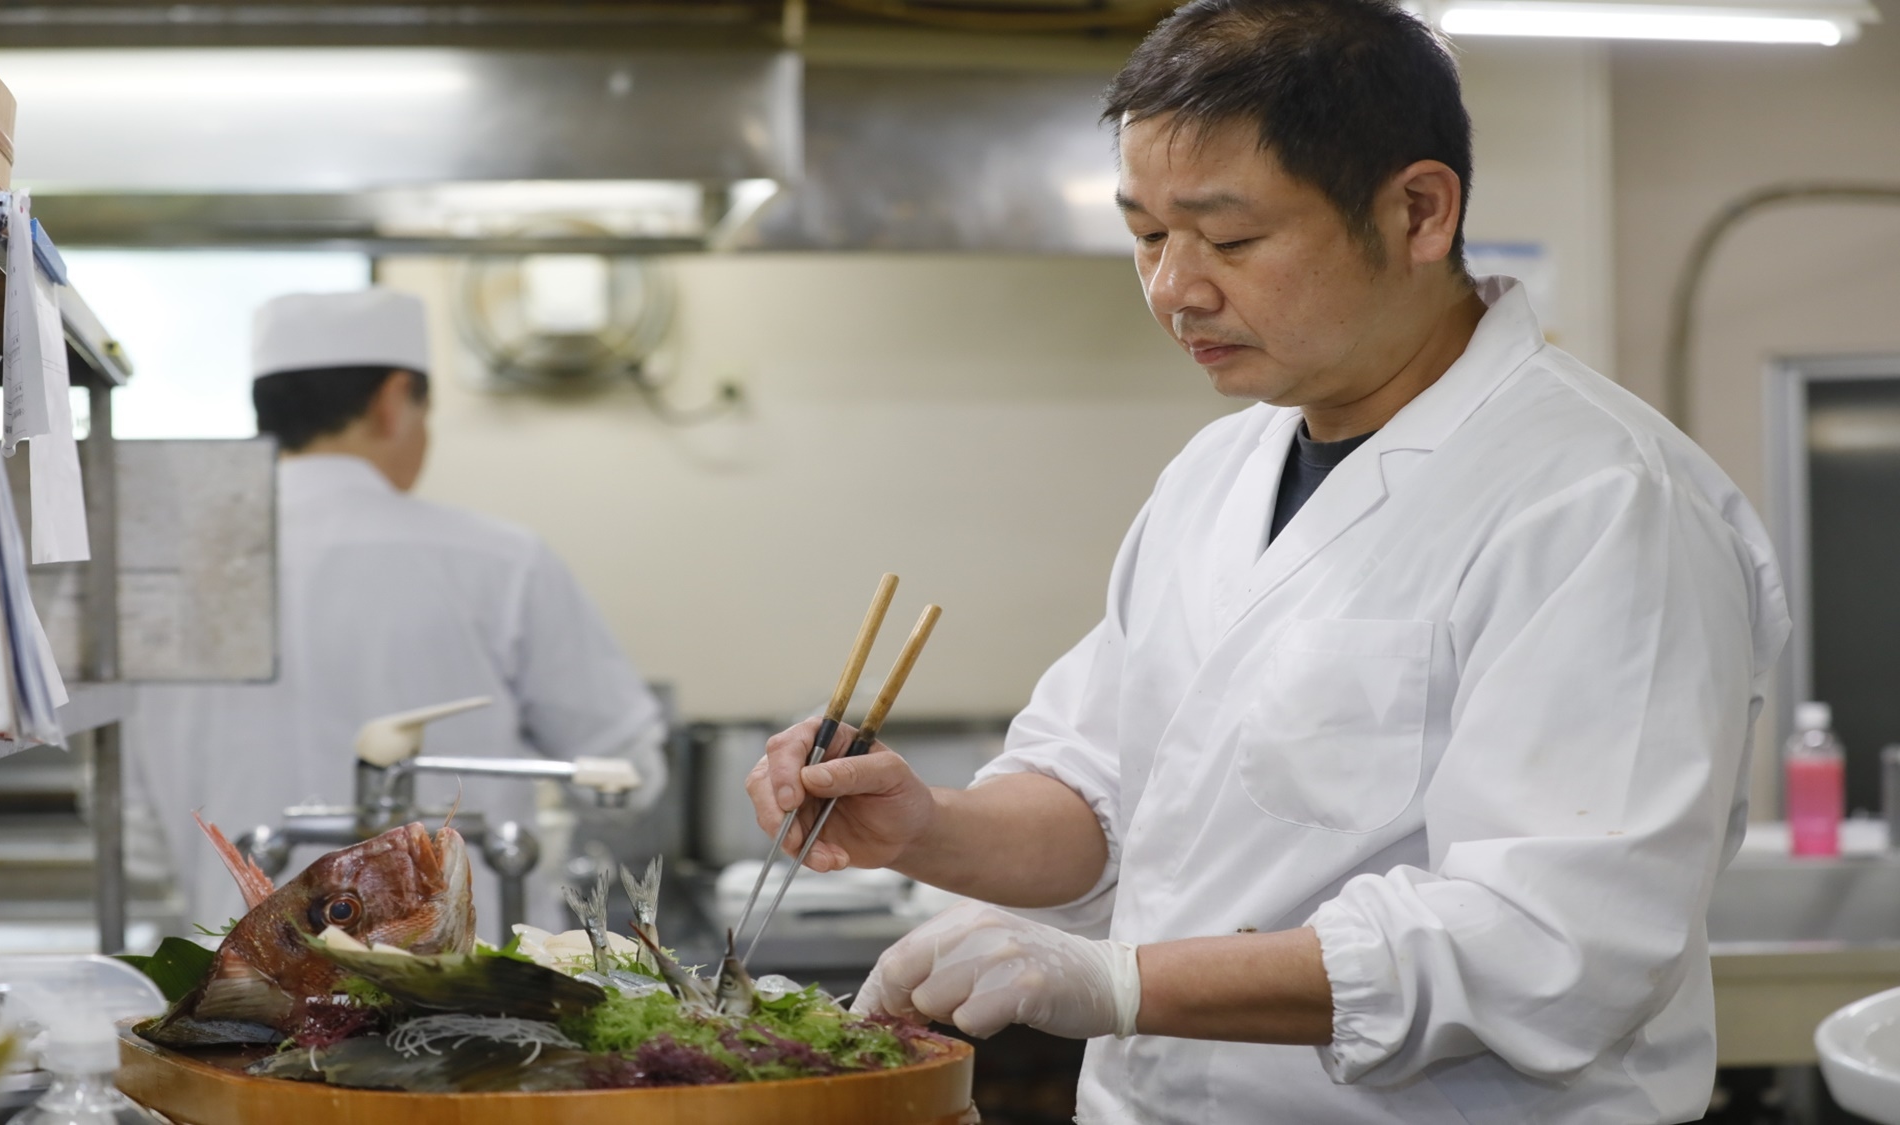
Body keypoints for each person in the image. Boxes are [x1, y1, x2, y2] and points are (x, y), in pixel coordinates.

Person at [746, 2, 1789, 1120]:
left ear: (1416, 211)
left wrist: (1120, 979)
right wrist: (925, 828)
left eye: (1229, 240)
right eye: (1146, 234)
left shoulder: (1601, 501)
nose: (1172, 290)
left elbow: (1549, 944)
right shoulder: (1219, 471)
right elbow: (1105, 797)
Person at [131, 288, 665, 938]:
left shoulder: (165, 571)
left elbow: (135, 833)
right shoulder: (499, 561)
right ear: (394, 402)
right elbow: (626, 771)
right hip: (465, 1002)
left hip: (237, 991)